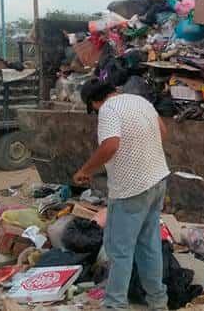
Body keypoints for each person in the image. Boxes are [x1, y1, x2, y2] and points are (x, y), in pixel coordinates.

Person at [73, 80, 170, 311]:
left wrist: (85, 170)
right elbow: (162, 132)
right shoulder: (139, 100)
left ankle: (115, 305)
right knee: (149, 245)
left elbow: (110, 145)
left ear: (95, 101)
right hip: (157, 180)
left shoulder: (108, 109)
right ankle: (158, 302)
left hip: (131, 189)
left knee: (120, 251)